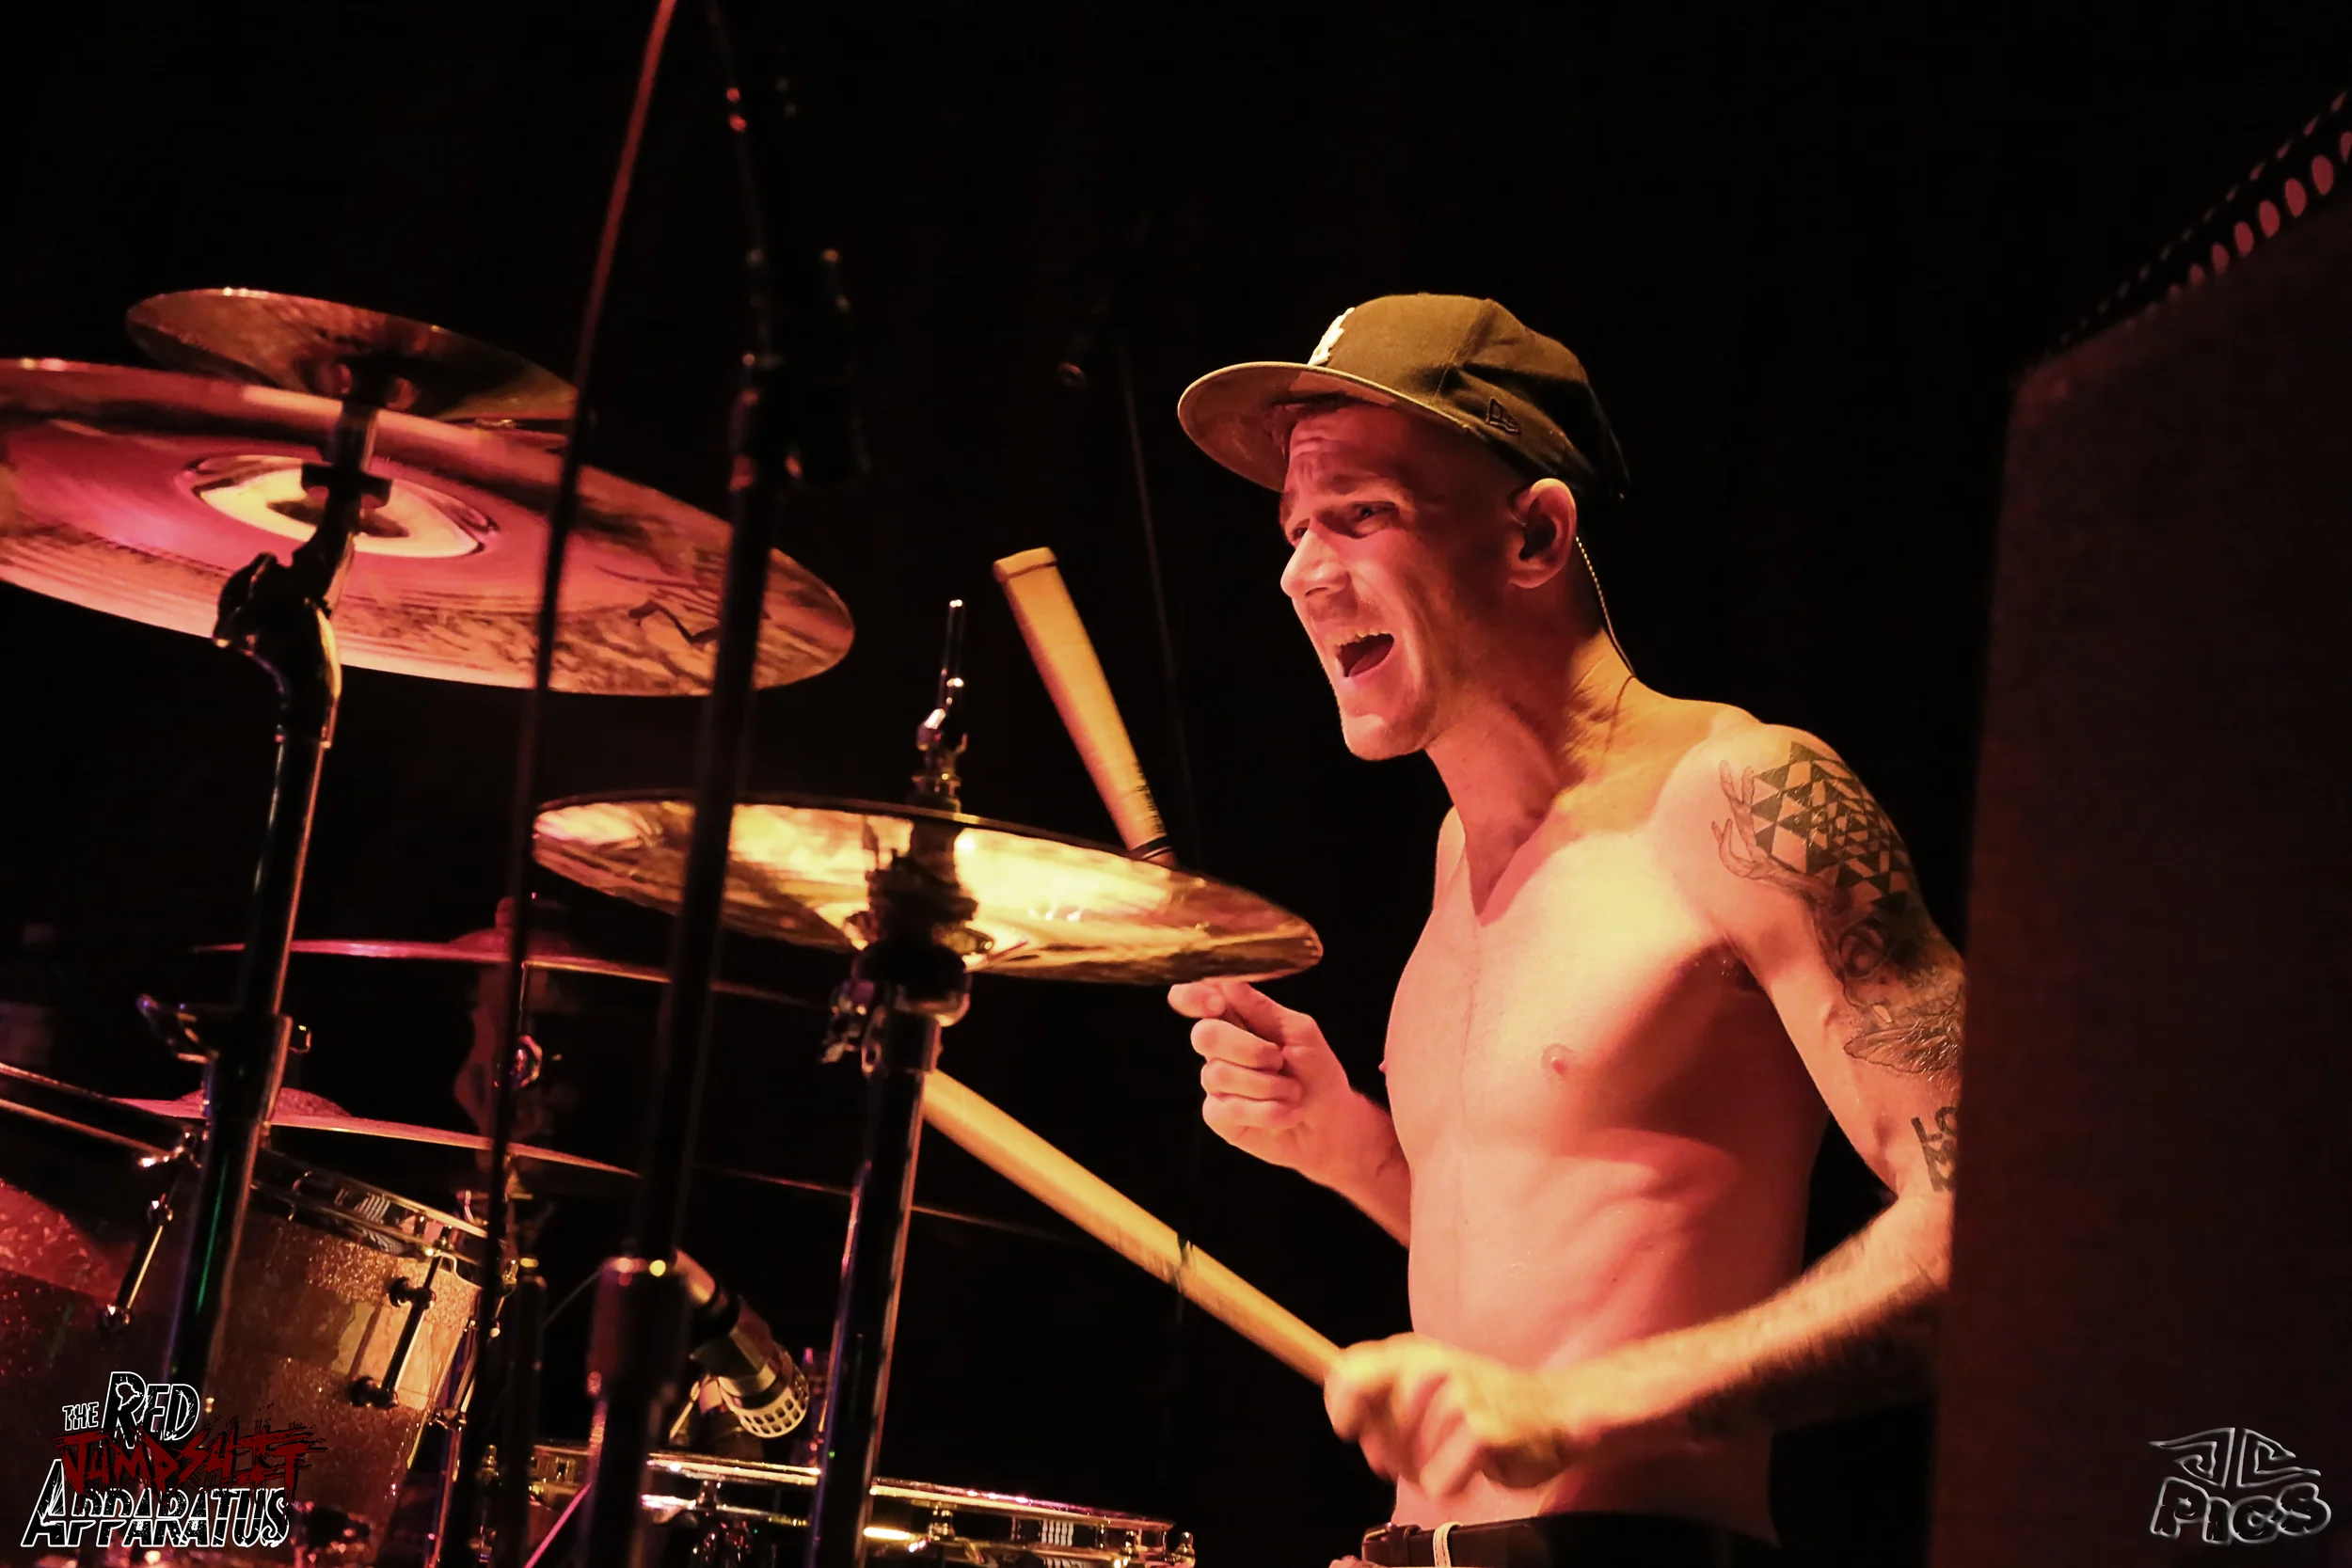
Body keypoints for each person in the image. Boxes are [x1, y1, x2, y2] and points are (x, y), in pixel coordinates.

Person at [1168, 295, 1963, 1567]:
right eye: (1295, 528)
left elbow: (1994, 1215)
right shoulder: (1458, 853)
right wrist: (1349, 1150)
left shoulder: (1746, 797)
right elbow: (1558, 1249)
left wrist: (1588, 1406)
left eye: (1362, 514)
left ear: (1535, 533)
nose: (1302, 573)